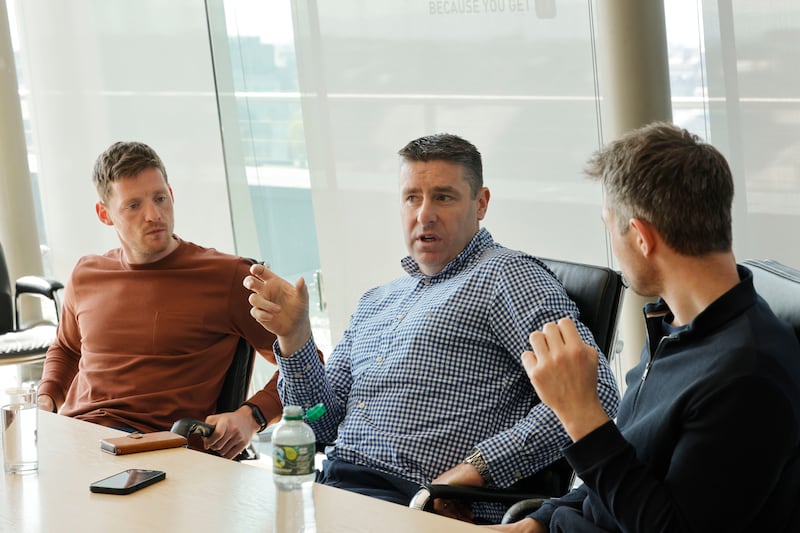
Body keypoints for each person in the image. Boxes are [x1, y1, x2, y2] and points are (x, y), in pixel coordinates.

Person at [244, 133, 620, 523]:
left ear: (481, 203)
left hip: (422, 504)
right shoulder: (376, 301)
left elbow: (596, 395)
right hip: (334, 491)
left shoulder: (507, 277)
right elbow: (319, 422)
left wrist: (472, 471)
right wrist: (295, 337)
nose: (424, 214)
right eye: (412, 197)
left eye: (443, 196)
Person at [492, 122, 800, 532]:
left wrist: (580, 414)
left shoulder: (748, 376)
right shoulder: (671, 327)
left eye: (609, 226)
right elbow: (626, 465)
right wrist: (539, 521)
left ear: (640, 236)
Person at [37, 141, 282, 459]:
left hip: (156, 451)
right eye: (134, 205)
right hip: (75, 440)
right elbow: (67, 349)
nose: (153, 215)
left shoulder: (230, 277)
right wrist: (46, 399)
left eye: (160, 198)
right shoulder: (86, 273)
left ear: (171, 194)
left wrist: (253, 416)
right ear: (104, 214)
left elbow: (305, 363)